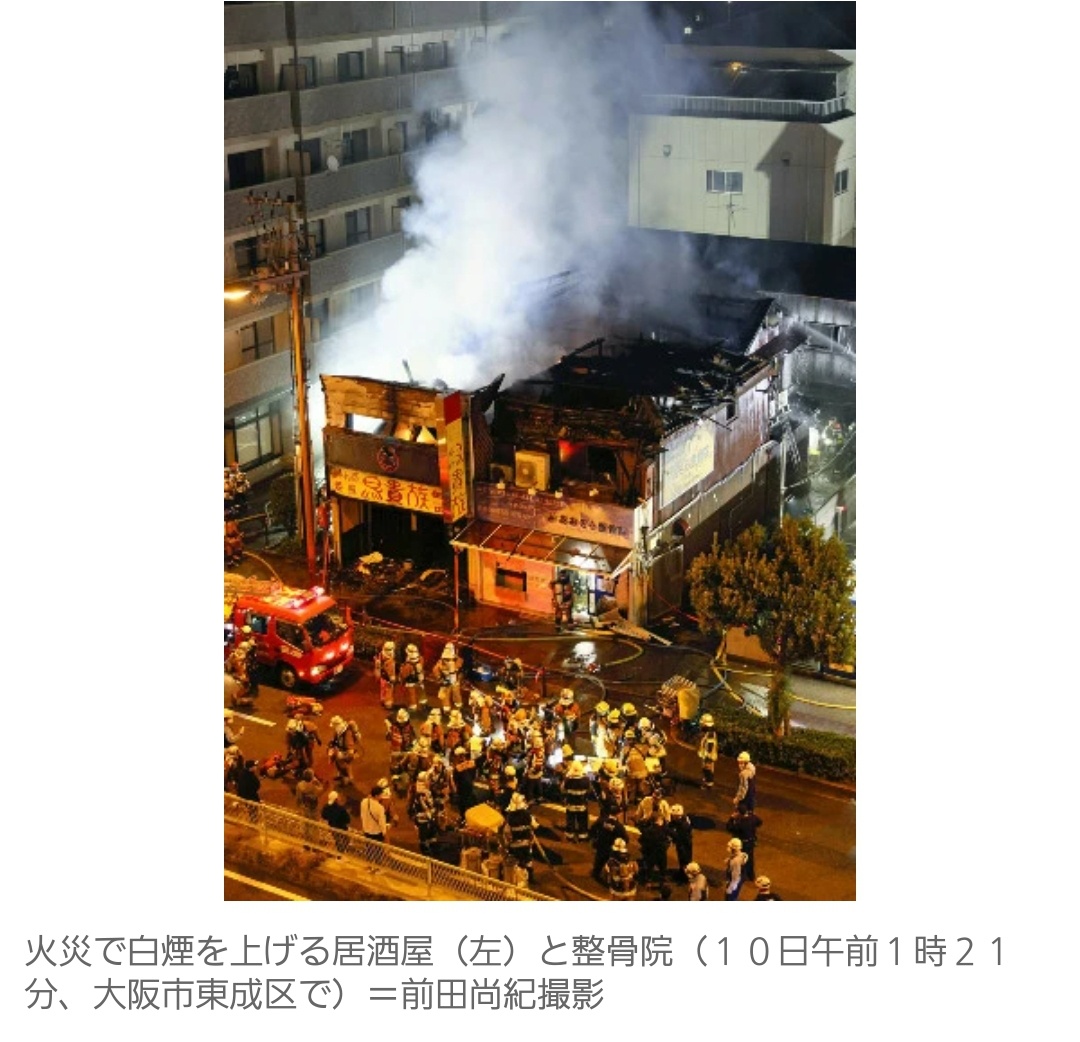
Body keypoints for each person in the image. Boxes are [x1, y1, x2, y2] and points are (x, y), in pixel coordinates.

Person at [726, 801, 764, 882]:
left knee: (739, 860)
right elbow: (760, 822)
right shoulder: (753, 818)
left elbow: (729, 828)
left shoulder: (740, 823)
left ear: (740, 813)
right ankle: (751, 876)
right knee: (750, 859)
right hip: (751, 842)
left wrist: (732, 818)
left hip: (742, 844)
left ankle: (739, 876)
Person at [504, 792, 537, 882]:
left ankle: (516, 879)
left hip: (514, 845)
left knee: (516, 862)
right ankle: (530, 878)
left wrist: (507, 843)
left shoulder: (510, 817)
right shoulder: (527, 815)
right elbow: (535, 825)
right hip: (526, 844)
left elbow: (507, 831)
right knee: (528, 861)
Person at [592, 808, 628, 882]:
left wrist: (595, 838)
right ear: (618, 814)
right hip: (611, 850)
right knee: (611, 865)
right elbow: (626, 839)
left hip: (600, 846)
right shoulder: (619, 827)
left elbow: (593, 828)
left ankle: (596, 874)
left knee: (598, 862)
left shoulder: (602, 820)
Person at [562, 758, 591, 842]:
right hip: (582, 804)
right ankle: (582, 835)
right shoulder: (585, 780)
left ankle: (570, 835)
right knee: (582, 820)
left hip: (571, 804)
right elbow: (589, 790)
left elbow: (563, 789)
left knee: (570, 820)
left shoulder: (568, 780)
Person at [408, 773, 438, 855]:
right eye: (428, 780)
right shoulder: (420, 795)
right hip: (423, 821)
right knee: (424, 840)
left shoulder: (426, 792)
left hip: (428, 820)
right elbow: (425, 808)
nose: (429, 781)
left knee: (432, 839)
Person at [295, 768, 323, 849]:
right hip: (313, 809)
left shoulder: (299, 785)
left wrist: (298, 806)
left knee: (305, 825)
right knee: (314, 826)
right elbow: (320, 791)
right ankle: (315, 845)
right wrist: (318, 782)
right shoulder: (313, 786)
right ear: (311, 777)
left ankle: (306, 843)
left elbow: (298, 798)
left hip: (304, 807)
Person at [431, 642, 464, 710]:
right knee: (445, 696)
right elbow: (435, 670)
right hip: (445, 681)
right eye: (446, 659)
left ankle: (458, 706)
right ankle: (446, 709)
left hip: (455, 681)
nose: (448, 661)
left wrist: (459, 677)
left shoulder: (458, 661)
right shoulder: (440, 662)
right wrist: (439, 678)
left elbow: (461, 670)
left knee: (456, 694)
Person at [321, 790, 351, 855]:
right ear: (336, 799)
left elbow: (323, 816)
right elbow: (348, 820)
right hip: (342, 828)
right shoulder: (341, 809)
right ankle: (341, 854)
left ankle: (339, 852)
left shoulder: (326, 807)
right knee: (345, 841)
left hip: (332, 827)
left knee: (337, 840)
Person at [668, 803, 694, 877]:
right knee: (682, 859)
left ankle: (685, 875)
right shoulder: (683, 819)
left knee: (685, 859)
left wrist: (669, 831)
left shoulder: (684, 825)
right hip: (683, 843)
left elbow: (678, 836)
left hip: (684, 845)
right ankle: (682, 872)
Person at [399, 643, 426, 710]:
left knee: (412, 693)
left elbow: (404, 674)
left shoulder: (408, 665)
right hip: (419, 679)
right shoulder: (421, 659)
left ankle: (413, 705)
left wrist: (401, 677)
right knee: (421, 691)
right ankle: (423, 703)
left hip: (410, 680)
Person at [723, 837, 749, 901]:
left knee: (730, 898)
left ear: (734, 849)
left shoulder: (735, 861)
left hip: (734, 882)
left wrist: (730, 889)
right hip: (740, 878)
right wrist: (729, 860)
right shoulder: (741, 856)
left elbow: (735, 877)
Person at [375, 640, 399, 709]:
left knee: (383, 689)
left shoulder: (381, 655)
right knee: (389, 691)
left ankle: (382, 699)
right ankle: (388, 703)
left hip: (382, 677)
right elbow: (391, 671)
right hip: (388, 679)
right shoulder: (390, 661)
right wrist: (393, 678)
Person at [698, 713, 719, 788]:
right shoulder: (708, 732)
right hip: (708, 754)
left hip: (708, 755)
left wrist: (708, 755)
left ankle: (708, 783)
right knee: (707, 768)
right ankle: (707, 781)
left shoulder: (710, 733)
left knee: (707, 768)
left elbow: (710, 745)